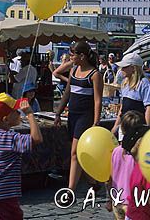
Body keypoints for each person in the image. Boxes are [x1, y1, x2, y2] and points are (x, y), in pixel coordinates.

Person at [55, 41, 103, 191]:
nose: (70, 58)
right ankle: (93, 181)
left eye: (72, 55)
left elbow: (97, 100)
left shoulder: (95, 74)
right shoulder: (74, 70)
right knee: (80, 151)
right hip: (72, 116)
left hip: (85, 116)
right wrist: (58, 112)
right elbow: (68, 93)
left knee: (75, 152)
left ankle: (70, 189)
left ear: (81, 56)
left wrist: (96, 121)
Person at [106, 111, 145, 220]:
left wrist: (109, 199)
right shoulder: (139, 155)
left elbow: (109, 178)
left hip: (117, 200)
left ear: (122, 130)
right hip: (133, 202)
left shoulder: (115, 151)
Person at [112, 53, 150, 133]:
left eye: (125, 67)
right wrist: (116, 125)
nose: (121, 69)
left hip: (137, 126)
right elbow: (122, 107)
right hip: (124, 125)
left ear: (133, 68)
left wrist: (146, 128)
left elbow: (149, 107)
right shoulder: (125, 83)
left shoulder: (144, 83)